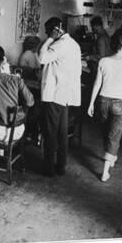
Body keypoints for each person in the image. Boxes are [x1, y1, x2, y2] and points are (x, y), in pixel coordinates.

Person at [38, 17, 82, 176]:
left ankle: (49, 168)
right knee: (62, 132)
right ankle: (61, 165)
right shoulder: (74, 45)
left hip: (54, 94)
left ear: (55, 30)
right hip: (65, 94)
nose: (46, 34)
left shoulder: (58, 44)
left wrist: (49, 38)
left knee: (50, 132)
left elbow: (41, 58)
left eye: (47, 31)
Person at [87, 28, 122, 182]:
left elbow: (97, 84)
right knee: (114, 136)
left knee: (105, 132)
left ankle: (111, 156)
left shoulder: (103, 61)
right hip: (120, 103)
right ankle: (105, 172)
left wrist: (90, 103)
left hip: (103, 101)